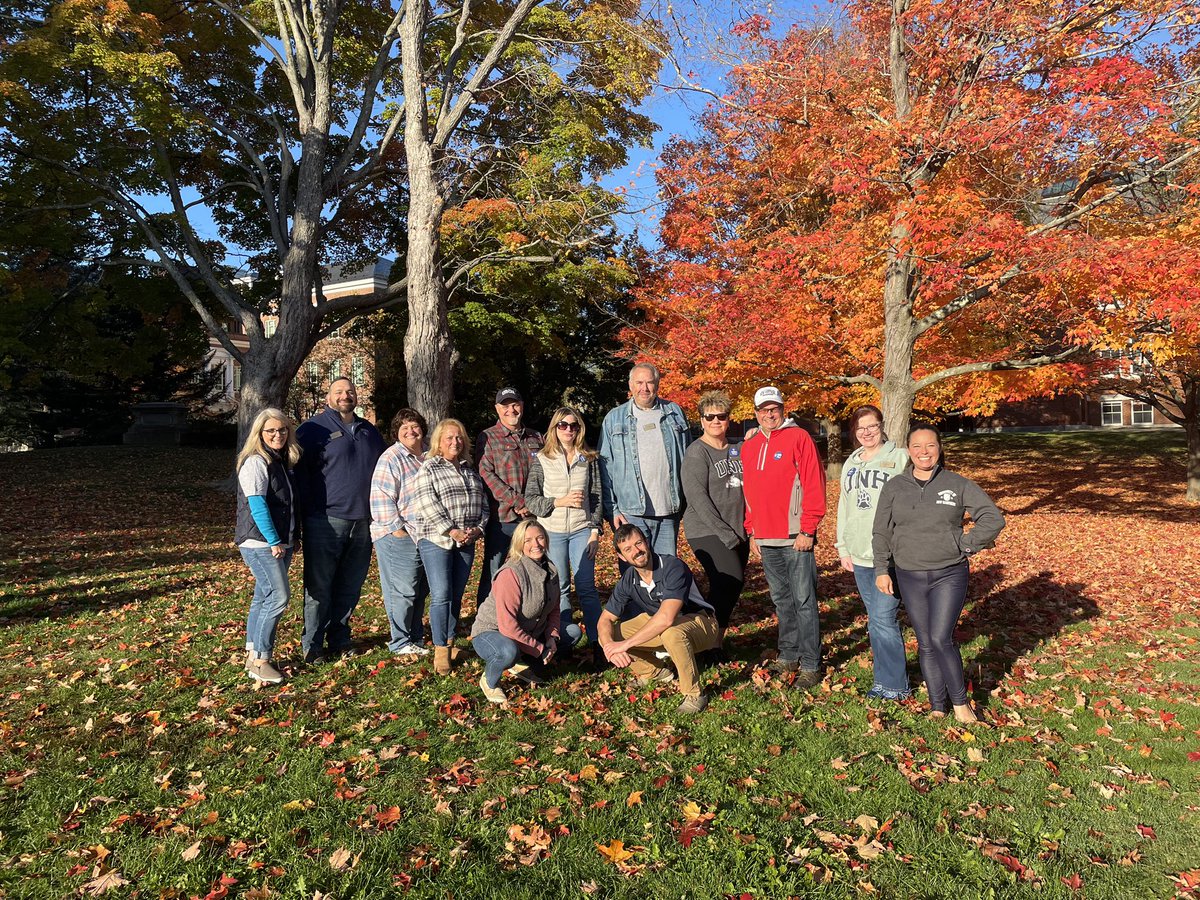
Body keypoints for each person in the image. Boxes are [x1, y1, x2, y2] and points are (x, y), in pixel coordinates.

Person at [872, 425, 1006, 723]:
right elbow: (881, 531)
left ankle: (960, 704)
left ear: (939, 448)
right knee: (925, 640)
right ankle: (937, 704)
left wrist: (966, 544)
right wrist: (882, 569)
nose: (924, 452)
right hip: (909, 574)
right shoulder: (895, 486)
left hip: (949, 573)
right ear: (908, 450)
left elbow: (992, 518)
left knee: (941, 637)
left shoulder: (956, 483)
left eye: (930, 445)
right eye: (917, 446)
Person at [295, 378, 386, 664]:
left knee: (350, 584)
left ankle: (340, 638)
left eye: (350, 391)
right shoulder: (312, 430)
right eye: (339, 392)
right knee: (319, 586)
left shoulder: (369, 431)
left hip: (363, 521)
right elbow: (300, 474)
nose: (345, 395)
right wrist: (310, 511)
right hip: (325, 520)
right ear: (328, 396)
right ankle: (313, 644)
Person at [741, 386, 827, 687]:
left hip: (795, 537)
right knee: (781, 600)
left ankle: (811, 663)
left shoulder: (799, 438)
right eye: (763, 409)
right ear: (755, 413)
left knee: (804, 599)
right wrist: (752, 529)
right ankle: (789, 654)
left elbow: (814, 483)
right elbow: (748, 491)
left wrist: (808, 528)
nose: (769, 413)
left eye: (774, 408)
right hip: (766, 537)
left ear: (782, 408)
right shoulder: (749, 447)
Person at [597, 524, 721, 714]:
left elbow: (666, 618)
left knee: (672, 633)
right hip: (664, 626)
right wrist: (609, 645)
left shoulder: (672, 566)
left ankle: (695, 694)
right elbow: (604, 619)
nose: (636, 551)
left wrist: (623, 646)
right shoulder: (629, 578)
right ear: (622, 557)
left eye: (638, 543)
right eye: (628, 549)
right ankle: (655, 672)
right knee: (610, 633)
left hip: (701, 622)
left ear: (647, 543)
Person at [834, 405, 911, 700]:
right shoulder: (851, 463)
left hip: (887, 555)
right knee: (875, 617)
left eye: (872, 426)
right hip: (858, 552)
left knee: (883, 617)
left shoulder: (899, 457)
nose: (866, 433)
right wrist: (843, 546)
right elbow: (845, 506)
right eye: (860, 428)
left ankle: (894, 685)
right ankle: (884, 679)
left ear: (881, 426)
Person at [523, 406, 603, 663]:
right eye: (563, 425)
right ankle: (564, 642)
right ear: (555, 428)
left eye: (574, 425)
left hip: (581, 530)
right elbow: (531, 500)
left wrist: (595, 531)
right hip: (552, 531)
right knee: (561, 588)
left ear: (580, 429)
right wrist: (559, 501)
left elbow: (597, 497)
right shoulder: (542, 459)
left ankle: (598, 642)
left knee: (587, 587)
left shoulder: (588, 458)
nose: (568, 429)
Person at [470, 520, 579, 704]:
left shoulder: (551, 569)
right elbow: (507, 626)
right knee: (507, 651)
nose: (535, 544)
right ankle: (490, 681)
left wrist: (552, 636)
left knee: (573, 633)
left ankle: (522, 663)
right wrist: (539, 649)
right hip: (493, 632)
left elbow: (554, 609)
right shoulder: (511, 574)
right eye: (528, 540)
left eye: (540, 538)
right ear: (519, 543)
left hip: (530, 629)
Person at [412, 418, 489, 675]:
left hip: (466, 542)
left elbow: (484, 505)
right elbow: (425, 502)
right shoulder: (430, 467)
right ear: (438, 442)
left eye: (459, 438)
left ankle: (450, 641)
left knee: (456, 594)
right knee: (442, 594)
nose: (455, 442)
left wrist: (478, 529)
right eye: (449, 438)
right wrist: (451, 530)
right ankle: (440, 649)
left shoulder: (470, 470)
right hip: (437, 539)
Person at [598, 363, 693, 562]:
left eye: (650, 382)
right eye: (639, 382)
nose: (645, 388)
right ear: (630, 385)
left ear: (657, 385)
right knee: (635, 572)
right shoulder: (614, 419)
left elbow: (689, 458)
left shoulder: (674, 412)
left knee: (666, 570)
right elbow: (605, 469)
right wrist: (612, 509)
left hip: (669, 509)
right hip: (630, 511)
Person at [235, 408, 301, 684]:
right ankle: (262, 659)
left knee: (263, 596)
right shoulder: (256, 462)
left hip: (278, 541)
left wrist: (289, 538)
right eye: (271, 431)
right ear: (259, 434)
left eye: (282, 430)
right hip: (260, 542)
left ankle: (252, 652)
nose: (278, 435)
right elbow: (258, 506)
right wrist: (274, 540)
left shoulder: (280, 461)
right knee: (278, 596)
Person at [681, 390, 748, 653]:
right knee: (730, 581)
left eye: (722, 416)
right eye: (710, 417)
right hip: (706, 531)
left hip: (738, 529)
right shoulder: (697, 453)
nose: (716, 421)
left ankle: (709, 639)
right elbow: (698, 500)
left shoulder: (738, 448)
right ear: (702, 419)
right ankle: (709, 642)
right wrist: (727, 535)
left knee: (729, 587)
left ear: (729, 419)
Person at [369, 407, 430, 657]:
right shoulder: (392, 457)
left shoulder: (428, 456)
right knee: (402, 590)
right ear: (397, 433)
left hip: (426, 534)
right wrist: (399, 531)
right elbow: (380, 498)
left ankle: (415, 636)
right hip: (398, 534)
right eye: (404, 428)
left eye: (414, 426)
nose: (411, 431)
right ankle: (400, 641)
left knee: (420, 590)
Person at [475, 387, 543, 607]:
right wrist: (518, 502)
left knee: (531, 567)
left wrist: (532, 504)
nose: (511, 410)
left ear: (522, 406)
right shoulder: (488, 437)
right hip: (502, 518)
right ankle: (484, 620)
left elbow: (545, 473)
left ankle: (527, 612)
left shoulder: (536, 437)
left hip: (532, 518)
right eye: (505, 405)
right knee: (494, 570)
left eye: (515, 404)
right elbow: (487, 475)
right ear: (497, 409)